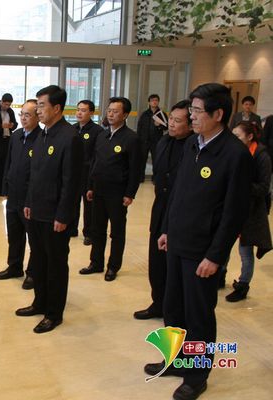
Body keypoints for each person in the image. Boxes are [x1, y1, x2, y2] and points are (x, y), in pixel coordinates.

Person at [145, 83, 252, 400]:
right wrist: (167, 229)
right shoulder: (193, 143)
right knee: (173, 308)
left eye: (196, 111)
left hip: (202, 253)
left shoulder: (234, 155)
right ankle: (176, 359)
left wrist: (215, 256)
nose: (191, 116)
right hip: (177, 242)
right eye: (190, 110)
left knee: (198, 315)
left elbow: (234, 214)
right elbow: (177, 192)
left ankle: (196, 375)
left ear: (218, 114)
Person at [16, 85, 83, 334]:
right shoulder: (42, 134)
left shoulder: (70, 137)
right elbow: (35, 175)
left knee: (55, 265)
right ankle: (39, 303)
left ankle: (54, 314)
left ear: (57, 108)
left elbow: (71, 182)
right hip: (37, 211)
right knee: (39, 261)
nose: (38, 110)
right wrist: (29, 203)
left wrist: (63, 215)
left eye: (42, 105)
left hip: (56, 217)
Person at [134, 100, 193, 320]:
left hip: (180, 214)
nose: (172, 124)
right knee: (156, 263)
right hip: (160, 210)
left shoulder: (193, 147)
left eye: (178, 121)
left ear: (191, 124)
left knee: (173, 267)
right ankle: (158, 303)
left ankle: (174, 309)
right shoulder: (164, 141)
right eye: (171, 119)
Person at [80, 96, 140, 282]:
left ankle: (113, 266)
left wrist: (130, 193)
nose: (111, 114)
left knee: (117, 232)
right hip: (98, 190)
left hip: (118, 193)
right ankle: (96, 262)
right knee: (97, 228)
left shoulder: (131, 138)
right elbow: (95, 163)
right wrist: (90, 186)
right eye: (109, 111)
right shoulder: (102, 135)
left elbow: (135, 169)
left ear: (125, 115)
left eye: (115, 111)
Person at [0, 99, 41, 290]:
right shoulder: (16, 135)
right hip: (13, 195)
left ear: (38, 116)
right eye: (21, 114)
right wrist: (5, 188)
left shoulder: (42, 138)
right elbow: (9, 162)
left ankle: (33, 273)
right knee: (14, 235)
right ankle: (14, 267)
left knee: (34, 238)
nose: (23, 118)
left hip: (30, 198)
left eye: (27, 115)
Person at [225, 121, 272, 302]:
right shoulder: (236, 152)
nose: (234, 139)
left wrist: (241, 185)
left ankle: (243, 285)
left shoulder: (262, 156)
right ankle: (219, 275)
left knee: (245, 251)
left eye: (238, 136)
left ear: (250, 136)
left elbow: (263, 187)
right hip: (232, 207)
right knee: (223, 244)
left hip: (251, 212)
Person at [71, 100, 104, 243]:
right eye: (78, 109)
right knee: (72, 202)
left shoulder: (97, 131)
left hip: (89, 173)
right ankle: (71, 228)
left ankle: (89, 233)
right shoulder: (72, 129)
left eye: (83, 110)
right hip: (73, 173)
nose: (79, 113)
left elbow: (97, 156)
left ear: (91, 113)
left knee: (89, 205)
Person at [137, 94, 167, 182]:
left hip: (156, 140)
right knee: (142, 159)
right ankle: (140, 177)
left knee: (156, 160)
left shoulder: (162, 114)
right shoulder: (145, 114)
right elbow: (139, 127)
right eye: (152, 100)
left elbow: (166, 127)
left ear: (158, 102)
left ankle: (155, 178)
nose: (154, 102)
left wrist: (159, 126)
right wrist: (139, 139)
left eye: (156, 100)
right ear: (149, 102)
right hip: (144, 140)